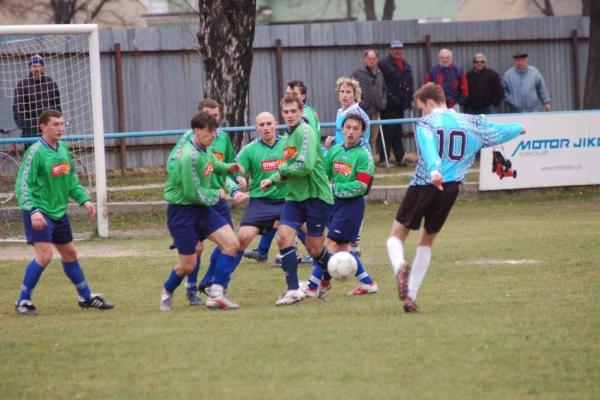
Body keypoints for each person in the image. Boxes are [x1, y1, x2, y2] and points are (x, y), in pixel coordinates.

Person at [385, 83, 525, 313]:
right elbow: (497, 131)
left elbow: (429, 147)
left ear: (430, 103)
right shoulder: (470, 122)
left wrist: (433, 170)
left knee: (395, 237)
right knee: (427, 241)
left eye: (422, 108)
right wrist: (518, 127)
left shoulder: (427, 122)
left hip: (426, 183)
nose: (422, 113)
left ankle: (400, 267)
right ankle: (410, 297)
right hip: (451, 190)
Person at [13, 109, 112, 315]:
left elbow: (71, 179)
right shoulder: (35, 152)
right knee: (45, 255)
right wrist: (33, 210)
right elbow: (22, 185)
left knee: (70, 254)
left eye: (62, 124)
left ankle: (85, 297)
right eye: (55, 124)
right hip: (39, 212)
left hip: (58, 212)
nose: (60, 128)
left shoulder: (63, 149)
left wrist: (84, 200)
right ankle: (23, 300)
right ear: (43, 127)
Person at [160, 111, 243, 311]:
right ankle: (167, 291)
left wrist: (228, 168)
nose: (214, 135)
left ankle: (216, 292)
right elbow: (192, 193)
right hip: (182, 213)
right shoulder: (190, 157)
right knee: (188, 265)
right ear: (197, 131)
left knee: (232, 244)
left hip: (201, 210)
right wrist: (217, 194)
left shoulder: (203, 147)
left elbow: (213, 164)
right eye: (210, 131)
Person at [260, 94, 334, 306]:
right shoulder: (288, 136)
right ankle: (293, 290)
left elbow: (305, 166)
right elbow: (291, 168)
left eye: (294, 111)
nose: (290, 115)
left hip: (316, 196)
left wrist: (276, 175)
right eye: (286, 111)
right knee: (283, 238)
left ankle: (329, 274)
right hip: (294, 197)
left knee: (314, 249)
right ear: (281, 113)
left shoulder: (305, 132)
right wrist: (274, 181)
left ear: (301, 112)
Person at [301, 113, 378, 298]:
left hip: (351, 206)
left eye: (356, 129)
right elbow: (324, 173)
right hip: (334, 204)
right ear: (342, 129)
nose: (351, 132)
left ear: (362, 133)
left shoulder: (363, 155)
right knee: (343, 250)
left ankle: (313, 285)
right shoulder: (335, 150)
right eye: (348, 127)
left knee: (328, 245)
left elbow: (361, 186)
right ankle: (367, 282)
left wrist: (335, 187)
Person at [188, 99, 242, 304]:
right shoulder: (188, 141)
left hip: (218, 199)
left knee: (229, 243)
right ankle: (191, 290)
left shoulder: (222, 139)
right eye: (208, 117)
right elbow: (173, 165)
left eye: (216, 116)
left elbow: (227, 166)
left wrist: (236, 180)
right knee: (197, 247)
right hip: (198, 201)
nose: (213, 121)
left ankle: (209, 281)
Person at [377, 40, 414, 167]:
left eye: (400, 48)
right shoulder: (383, 64)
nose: (398, 51)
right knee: (387, 132)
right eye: (395, 49)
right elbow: (380, 84)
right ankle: (383, 159)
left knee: (398, 132)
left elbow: (409, 84)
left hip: (401, 104)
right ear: (391, 50)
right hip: (388, 105)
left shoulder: (406, 65)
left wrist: (410, 100)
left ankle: (400, 158)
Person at [13, 55, 61, 149]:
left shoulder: (50, 83)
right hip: (31, 132)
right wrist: (25, 125)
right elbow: (17, 108)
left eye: (39, 66)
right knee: (33, 159)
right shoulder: (22, 84)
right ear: (30, 68)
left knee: (49, 158)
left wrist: (56, 123)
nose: (37, 69)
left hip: (48, 129)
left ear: (43, 67)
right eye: (34, 66)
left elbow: (57, 106)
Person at [351, 49, 386, 154]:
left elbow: (384, 89)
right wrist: (359, 103)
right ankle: (361, 157)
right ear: (365, 59)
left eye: (374, 59)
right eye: (369, 58)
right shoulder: (357, 73)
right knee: (361, 135)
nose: (371, 61)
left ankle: (372, 159)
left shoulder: (379, 73)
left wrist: (383, 102)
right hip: (362, 110)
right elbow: (351, 89)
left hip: (376, 109)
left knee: (373, 137)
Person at [326, 77, 371, 152]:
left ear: (355, 95)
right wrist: (335, 139)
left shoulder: (357, 114)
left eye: (348, 92)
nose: (344, 95)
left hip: (355, 156)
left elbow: (362, 140)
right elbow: (343, 134)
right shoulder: (340, 112)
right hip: (342, 153)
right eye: (342, 91)